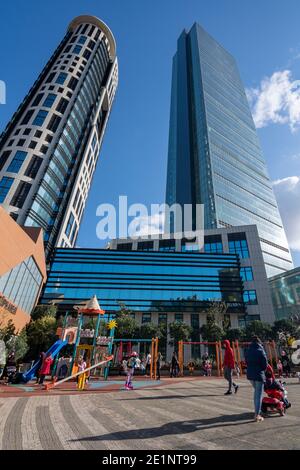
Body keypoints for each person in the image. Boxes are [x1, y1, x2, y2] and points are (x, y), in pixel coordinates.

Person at [245, 336, 268, 422]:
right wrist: (262, 370)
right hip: (259, 375)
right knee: (258, 395)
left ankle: (257, 411)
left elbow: (246, 362)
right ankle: (257, 414)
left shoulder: (248, 350)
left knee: (256, 393)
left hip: (250, 375)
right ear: (259, 342)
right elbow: (265, 365)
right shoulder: (261, 350)